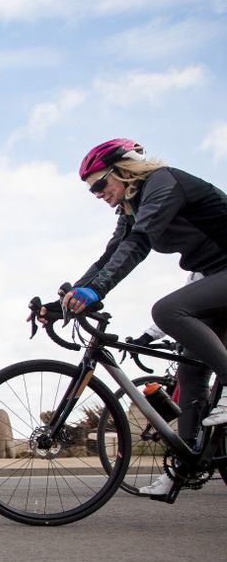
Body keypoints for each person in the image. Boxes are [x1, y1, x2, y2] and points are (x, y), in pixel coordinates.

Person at [58, 140, 227, 496]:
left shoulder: (164, 183)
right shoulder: (130, 207)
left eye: (101, 184)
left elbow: (140, 242)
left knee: (167, 310)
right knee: (191, 370)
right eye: (92, 191)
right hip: (215, 277)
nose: (98, 194)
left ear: (123, 170)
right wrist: (69, 296)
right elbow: (111, 255)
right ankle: (185, 468)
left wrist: (98, 292)